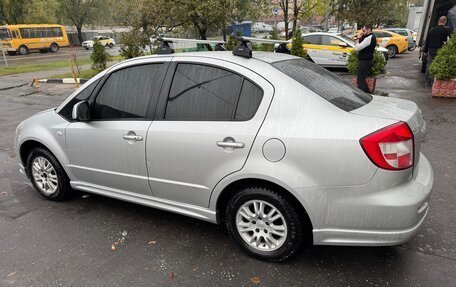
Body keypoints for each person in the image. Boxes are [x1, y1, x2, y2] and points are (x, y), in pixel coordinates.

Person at [424, 16, 451, 85]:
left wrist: (425, 50)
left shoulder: (432, 29)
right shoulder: (446, 30)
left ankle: (427, 81)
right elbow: (450, 39)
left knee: (429, 64)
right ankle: (434, 82)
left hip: (431, 49)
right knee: (439, 65)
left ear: (438, 21)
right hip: (440, 50)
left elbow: (427, 40)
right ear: (445, 21)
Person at [354, 25, 377, 93]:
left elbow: (357, 48)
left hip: (365, 62)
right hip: (366, 61)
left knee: (360, 80)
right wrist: (361, 38)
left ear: (369, 30)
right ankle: (368, 94)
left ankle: (362, 96)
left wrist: (358, 40)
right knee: (362, 79)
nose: (362, 32)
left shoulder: (369, 38)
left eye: (364, 31)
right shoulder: (368, 37)